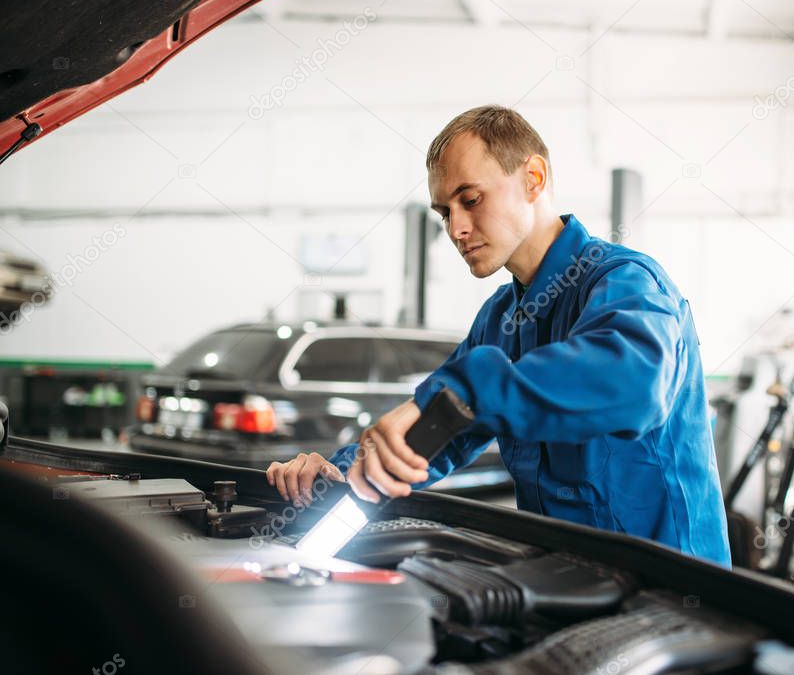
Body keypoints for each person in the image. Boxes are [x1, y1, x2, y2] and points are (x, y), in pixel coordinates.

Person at [267, 105, 730, 567]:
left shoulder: (627, 281)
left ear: (533, 178)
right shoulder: (500, 319)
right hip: (564, 581)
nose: (456, 229)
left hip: (676, 596)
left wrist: (470, 387)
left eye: (470, 200)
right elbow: (437, 435)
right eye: (444, 212)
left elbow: (632, 385)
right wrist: (342, 469)